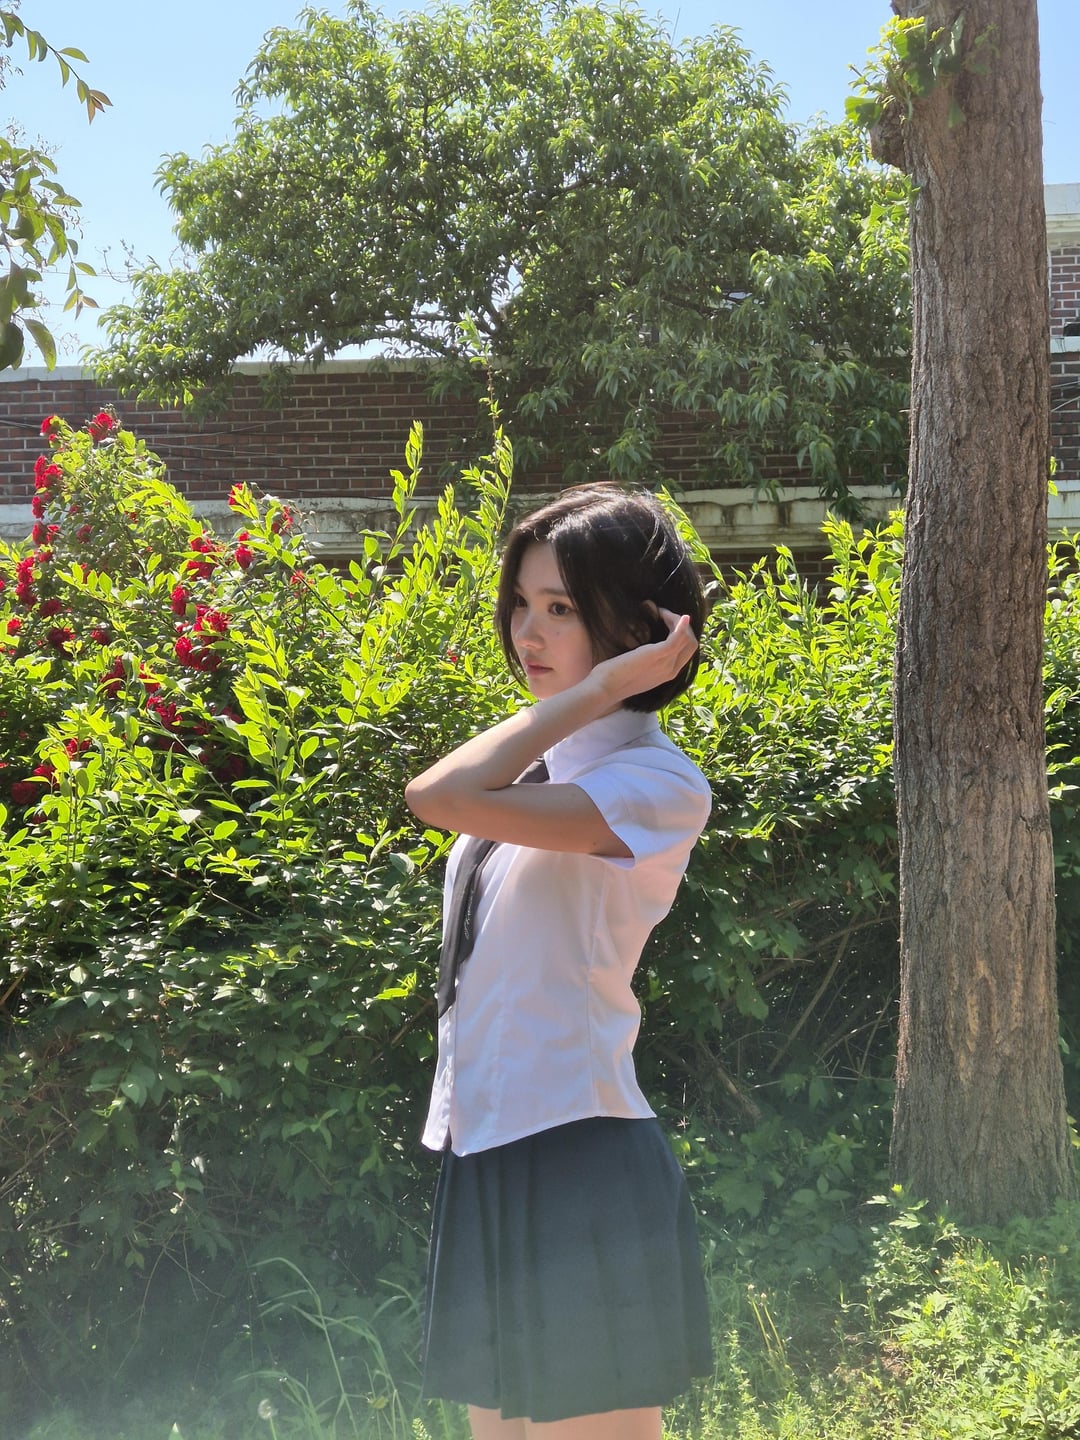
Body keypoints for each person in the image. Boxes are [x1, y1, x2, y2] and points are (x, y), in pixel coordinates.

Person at [405, 483, 713, 1440]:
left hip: (580, 1155)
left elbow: (436, 795)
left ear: (634, 625)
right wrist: (580, 700)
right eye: (521, 604)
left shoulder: (654, 784)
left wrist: (603, 689)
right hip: (489, 1146)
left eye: (563, 608)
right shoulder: (541, 771)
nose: (527, 633)